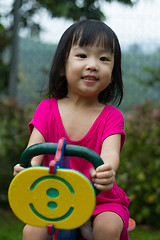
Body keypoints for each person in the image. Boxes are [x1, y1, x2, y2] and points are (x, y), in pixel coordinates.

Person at [14, 19, 130, 240]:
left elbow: (110, 154)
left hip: (100, 199)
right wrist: (27, 168)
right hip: (55, 195)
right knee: (32, 231)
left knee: (108, 227)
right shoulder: (46, 109)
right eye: (82, 55)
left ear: (113, 73)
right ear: (61, 67)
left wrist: (106, 171)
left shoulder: (112, 116)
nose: (93, 65)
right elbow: (34, 151)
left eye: (104, 59)